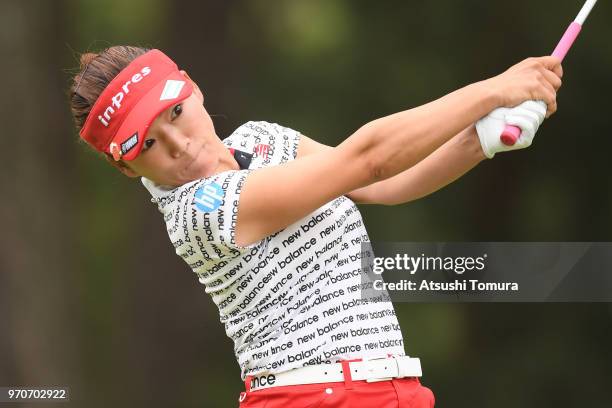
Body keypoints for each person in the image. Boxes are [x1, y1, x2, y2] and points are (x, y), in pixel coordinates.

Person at [68, 45, 562, 407]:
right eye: (149, 144)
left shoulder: (264, 141)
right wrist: (493, 89)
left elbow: (385, 183)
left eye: (176, 112)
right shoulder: (199, 212)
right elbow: (367, 161)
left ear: (193, 88)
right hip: (312, 398)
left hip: (394, 391)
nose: (179, 143)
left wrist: (481, 139)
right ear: (127, 167)